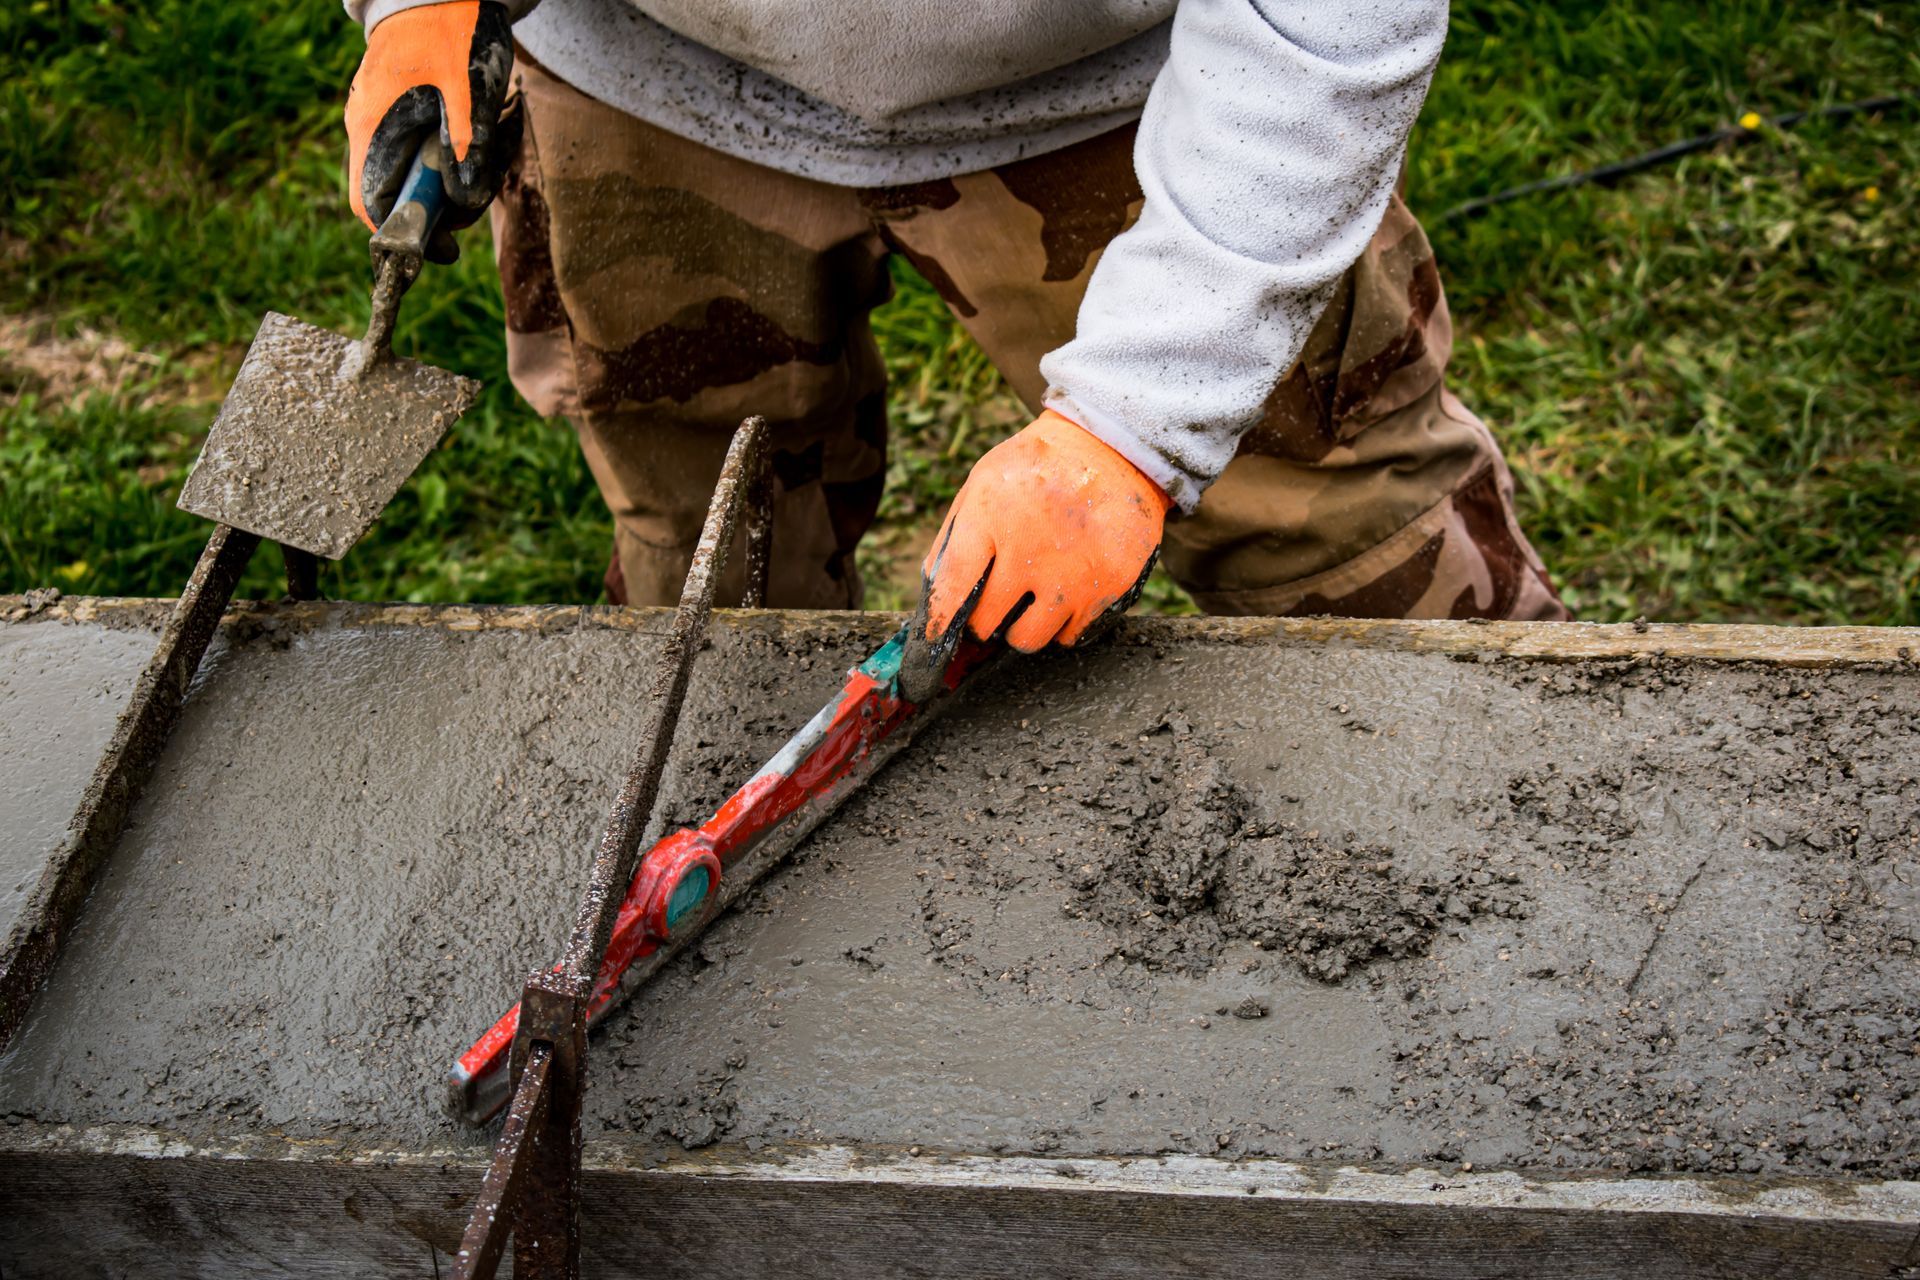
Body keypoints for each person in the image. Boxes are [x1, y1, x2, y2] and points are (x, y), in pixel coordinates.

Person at [343, 0, 1569, 655]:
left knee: (1344, 539)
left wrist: (1135, 427)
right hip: (637, 70)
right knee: (714, 553)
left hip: (1129, 87)